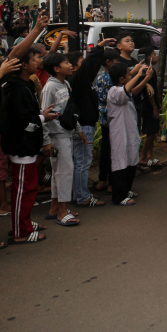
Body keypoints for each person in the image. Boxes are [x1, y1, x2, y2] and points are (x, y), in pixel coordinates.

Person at [0, 51, 56, 244]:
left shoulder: (25, 85)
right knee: (23, 189)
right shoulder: (17, 89)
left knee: (27, 188)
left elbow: (26, 113)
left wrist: (41, 113)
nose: (38, 61)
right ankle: (20, 232)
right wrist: (42, 118)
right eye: (34, 59)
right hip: (21, 145)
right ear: (23, 65)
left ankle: (23, 223)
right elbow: (20, 121)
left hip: (26, 145)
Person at [67, 38, 114, 208]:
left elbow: (91, 67)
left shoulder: (81, 81)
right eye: (81, 62)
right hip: (83, 126)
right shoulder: (77, 80)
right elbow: (89, 65)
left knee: (79, 162)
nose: (87, 66)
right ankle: (82, 197)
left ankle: (78, 193)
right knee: (82, 163)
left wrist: (99, 51)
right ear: (74, 67)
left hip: (84, 125)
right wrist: (99, 47)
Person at [40, 53, 85, 227]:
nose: (70, 65)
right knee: (64, 172)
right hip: (56, 136)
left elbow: (70, 109)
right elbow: (44, 114)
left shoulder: (65, 83)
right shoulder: (50, 87)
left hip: (66, 133)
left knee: (59, 173)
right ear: (57, 69)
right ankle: (62, 211)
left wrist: (78, 129)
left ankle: (54, 208)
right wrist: (46, 141)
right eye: (66, 62)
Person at [107, 62, 153, 205]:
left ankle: (126, 190)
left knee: (131, 160)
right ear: (121, 79)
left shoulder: (122, 89)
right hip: (120, 134)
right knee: (121, 163)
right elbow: (127, 92)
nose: (131, 75)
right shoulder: (114, 91)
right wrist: (139, 74)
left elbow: (133, 91)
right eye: (129, 74)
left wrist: (145, 79)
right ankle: (118, 196)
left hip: (129, 132)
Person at [92, 49, 122, 194]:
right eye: (116, 61)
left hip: (104, 119)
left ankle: (102, 180)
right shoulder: (112, 78)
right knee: (113, 151)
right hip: (113, 119)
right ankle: (111, 182)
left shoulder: (99, 77)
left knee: (106, 149)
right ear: (109, 62)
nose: (119, 64)